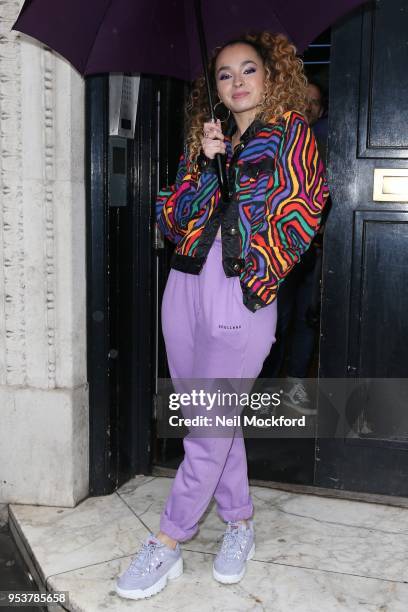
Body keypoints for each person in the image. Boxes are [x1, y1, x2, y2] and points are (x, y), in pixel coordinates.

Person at [115, 31, 329, 600]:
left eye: (248, 70)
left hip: (239, 289)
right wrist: (204, 166)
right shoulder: (204, 141)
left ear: (270, 75)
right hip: (184, 284)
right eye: (225, 75)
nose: (236, 83)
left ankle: (167, 541)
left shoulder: (291, 136)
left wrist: (233, 180)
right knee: (206, 418)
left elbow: (302, 207)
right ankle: (239, 523)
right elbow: (170, 216)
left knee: (208, 425)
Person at [261, 78, 330, 414]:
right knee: (277, 320)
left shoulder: (329, 142)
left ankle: (295, 386)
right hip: (282, 249)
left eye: (315, 101)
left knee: (307, 318)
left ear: (323, 110)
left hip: (315, 250)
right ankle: (268, 392)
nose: (309, 105)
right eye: (304, 99)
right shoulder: (281, 139)